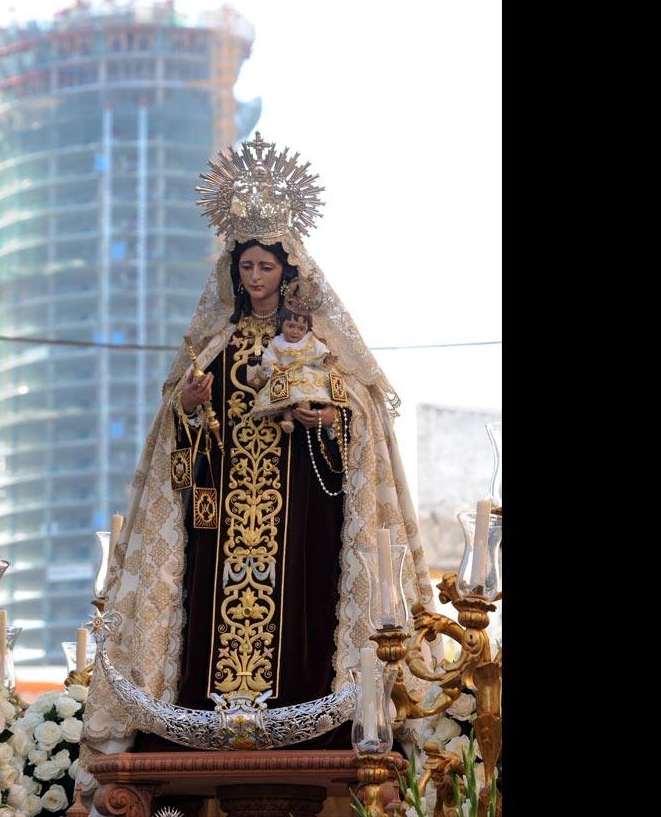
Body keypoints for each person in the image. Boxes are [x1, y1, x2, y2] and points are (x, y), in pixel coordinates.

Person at [82, 133, 430, 757]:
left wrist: (329, 416)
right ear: (233, 273)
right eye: (245, 267)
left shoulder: (321, 349)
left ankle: (314, 717)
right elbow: (177, 446)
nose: (256, 277)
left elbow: (360, 423)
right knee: (210, 615)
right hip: (221, 524)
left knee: (306, 609)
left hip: (302, 513)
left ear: (287, 271)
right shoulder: (214, 346)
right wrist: (186, 412)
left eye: (266, 266)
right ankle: (200, 728)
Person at [249, 304, 337, 435]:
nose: (295, 331)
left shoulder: (310, 341)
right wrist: (275, 368)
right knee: (283, 400)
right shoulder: (276, 343)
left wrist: (325, 358)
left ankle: (305, 414)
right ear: (282, 324)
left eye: (301, 328)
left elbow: (320, 351)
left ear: (307, 329)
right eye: (290, 326)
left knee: (303, 394)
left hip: (305, 375)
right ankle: (288, 420)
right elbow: (267, 360)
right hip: (284, 375)